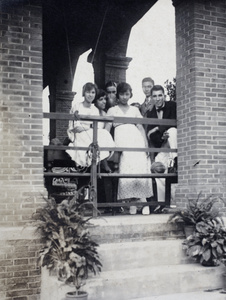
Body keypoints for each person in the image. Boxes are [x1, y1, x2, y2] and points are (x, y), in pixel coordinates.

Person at [105, 82, 153, 215]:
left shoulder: (135, 110)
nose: (125, 97)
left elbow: (140, 127)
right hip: (122, 142)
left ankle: (143, 201)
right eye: (122, 94)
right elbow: (107, 130)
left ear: (130, 95)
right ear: (118, 95)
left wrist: (145, 146)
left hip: (136, 140)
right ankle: (132, 202)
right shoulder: (112, 110)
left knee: (140, 167)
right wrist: (107, 147)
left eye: (127, 94)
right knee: (127, 168)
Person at [66, 82, 115, 169]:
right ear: (83, 93)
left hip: (91, 133)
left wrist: (89, 128)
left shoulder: (95, 109)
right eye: (88, 92)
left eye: (93, 92)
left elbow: (96, 126)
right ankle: (100, 163)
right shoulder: (77, 106)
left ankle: (101, 160)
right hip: (79, 134)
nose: (90, 95)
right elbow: (76, 127)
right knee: (90, 138)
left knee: (103, 133)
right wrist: (89, 127)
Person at [146, 84, 177, 210]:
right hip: (163, 145)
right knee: (156, 168)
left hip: (175, 143)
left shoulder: (172, 105)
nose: (158, 99)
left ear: (164, 95)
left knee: (173, 131)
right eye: (154, 96)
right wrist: (161, 138)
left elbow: (175, 120)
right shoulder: (150, 113)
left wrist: (158, 128)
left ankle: (175, 162)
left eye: (160, 95)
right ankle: (162, 203)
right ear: (151, 98)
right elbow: (150, 135)